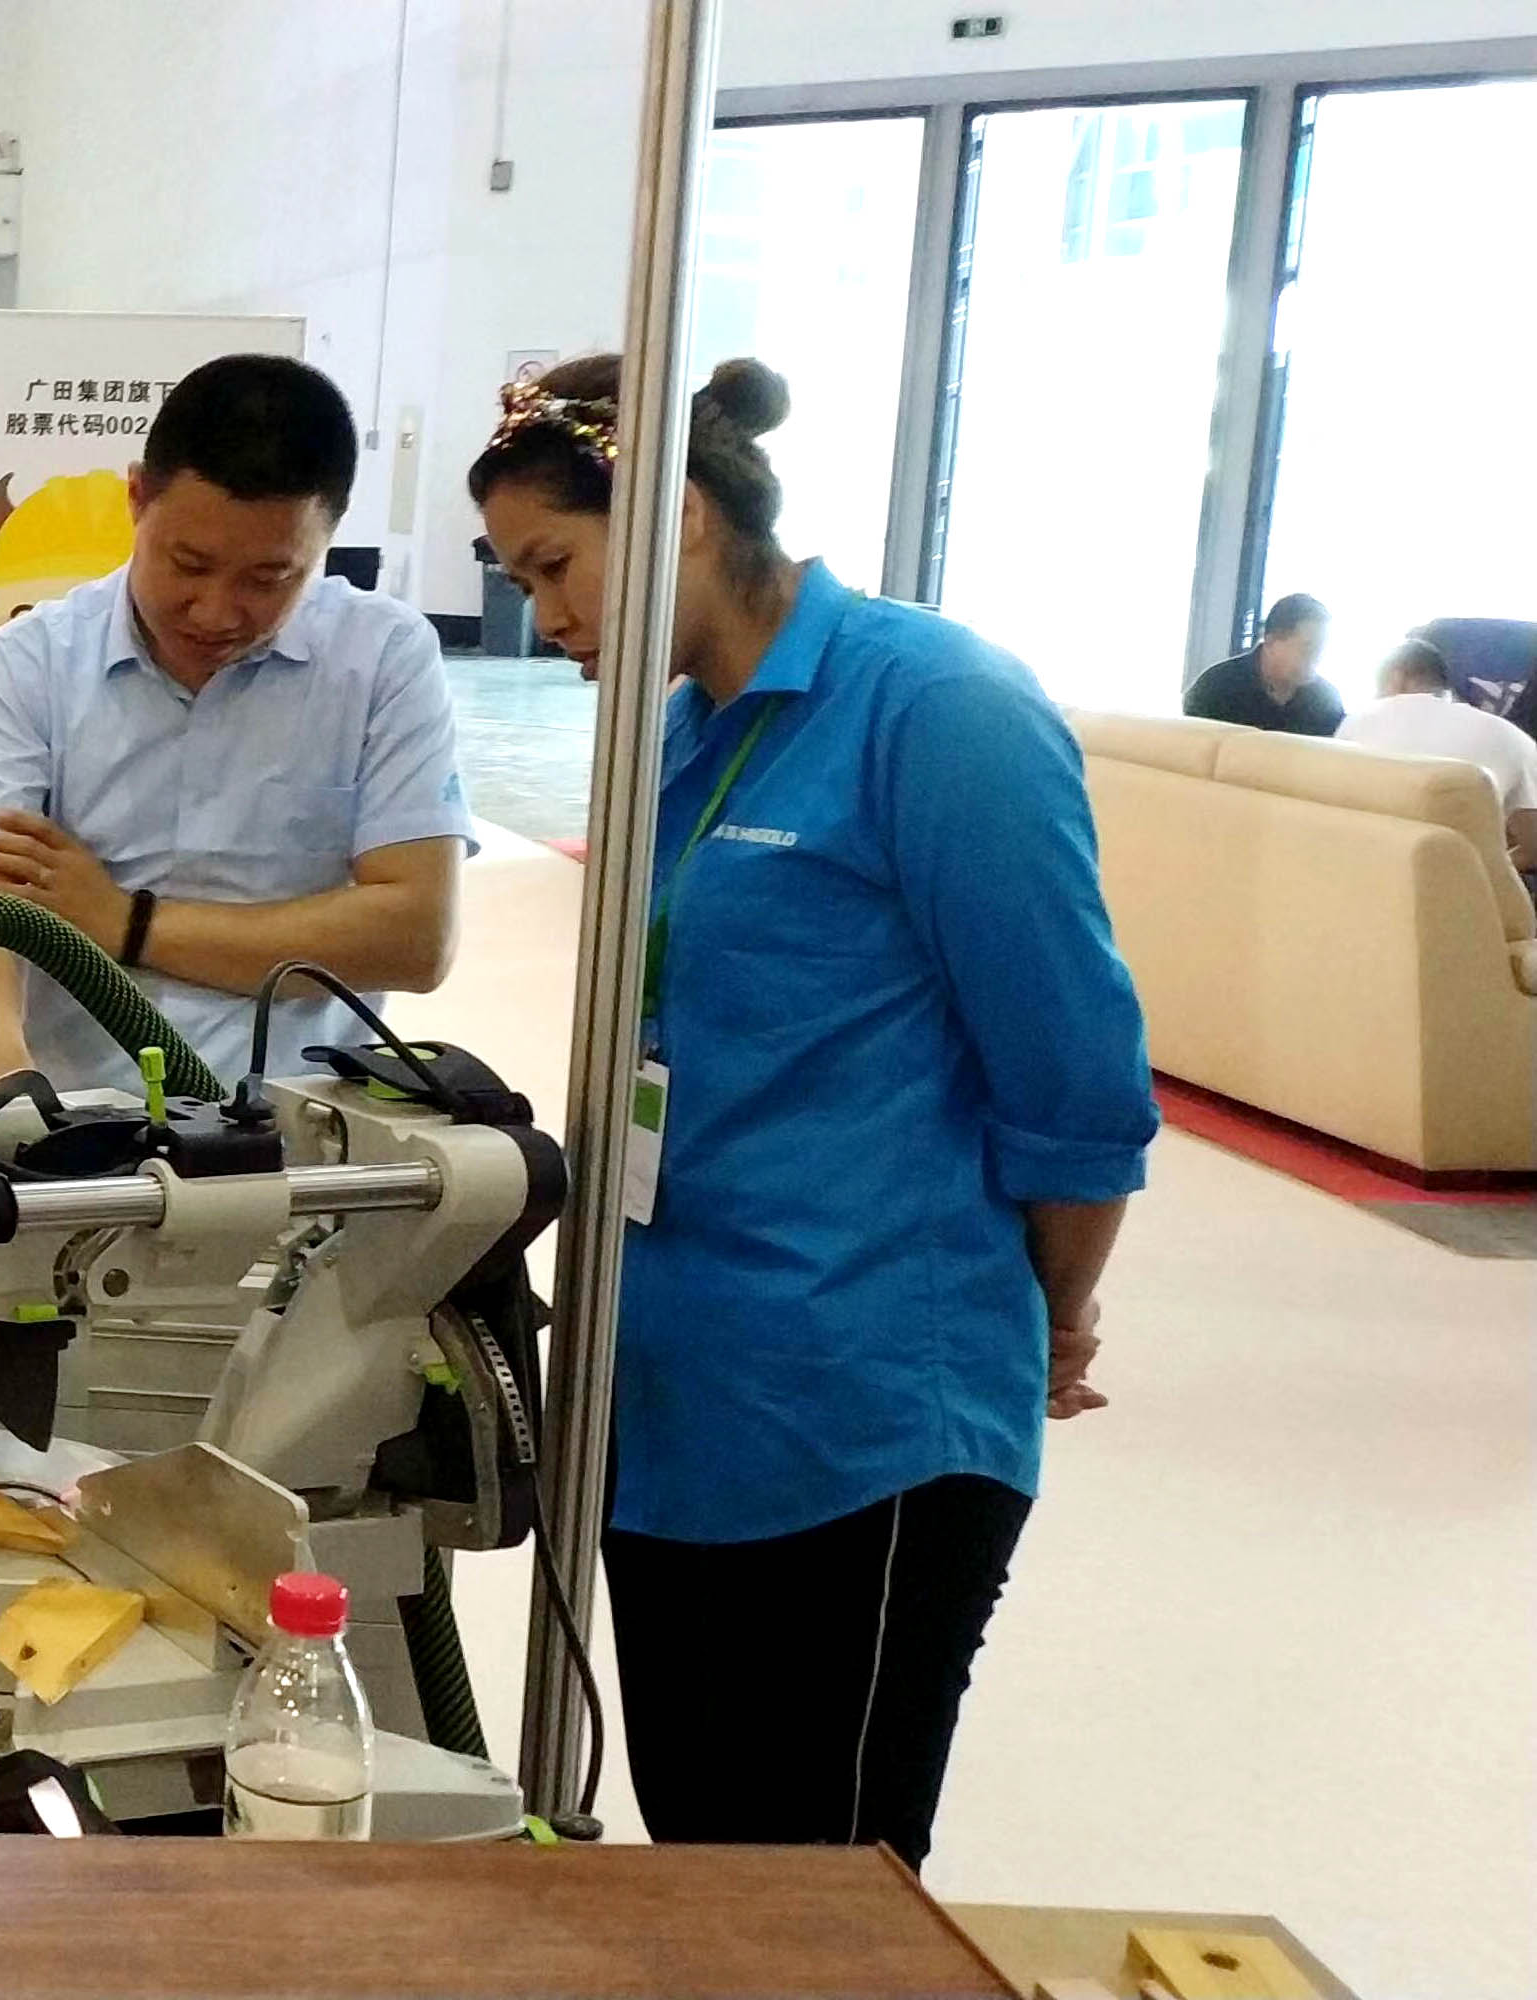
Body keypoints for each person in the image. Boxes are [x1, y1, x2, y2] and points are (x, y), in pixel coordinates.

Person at [472, 354, 1155, 1867]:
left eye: (556, 565)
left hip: (862, 1417)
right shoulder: (680, 735)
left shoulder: (940, 711)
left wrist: (1049, 1315)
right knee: (703, 1853)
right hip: (674, 1404)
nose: (545, 614)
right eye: (520, 579)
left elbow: (1073, 1078)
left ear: (681, 515)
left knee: (821, 1884)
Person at [0, 353, 468, 1094]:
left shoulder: (382, 658)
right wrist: (10, 1093)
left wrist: (127, 923)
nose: (215, 613)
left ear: (327, 538)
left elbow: (415, 937)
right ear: (136, 499)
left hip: (305, 1128)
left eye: (268, 579)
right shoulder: (33, 661)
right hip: (79, 1118)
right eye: (187, 564)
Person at [1338, 638, 1537, 873]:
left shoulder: (1355, 722)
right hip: (1454, 882)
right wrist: (1482, 873)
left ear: (1396, 678)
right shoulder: (1511, 736)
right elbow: (1533, 848)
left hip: (1356, 871)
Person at [1185, 592, 1341, 736]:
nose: (1317, 658)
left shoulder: (1325, 701)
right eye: (1308, 648)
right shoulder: (1216, 687)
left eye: (1322, 649)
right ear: (1271, 642)